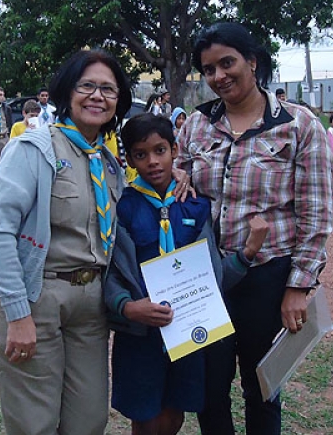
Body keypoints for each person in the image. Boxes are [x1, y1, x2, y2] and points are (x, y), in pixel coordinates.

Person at [177, 22, 332, 435]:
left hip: (267, 275)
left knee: (262, 386)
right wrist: (179, 175)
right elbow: (175, 176)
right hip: (206, 276)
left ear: (253, 61)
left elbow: (316, 213)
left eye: (227, 63)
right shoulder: (195, 125)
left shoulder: (298, 125)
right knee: (210, 389)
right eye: (209, 70)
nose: (219, 77)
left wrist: (298, 286)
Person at [0, 49, 132, 435]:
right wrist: (17, 314)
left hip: (90, 304)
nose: (97, 96)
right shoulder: (33, 149)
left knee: (89, 419)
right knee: (36, 424)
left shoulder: (109, 163)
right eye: (87, 86)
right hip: (36, 297)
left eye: (108, 89)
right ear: (68, 91)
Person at [105, 113, 268, 435]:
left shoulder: (195, 207)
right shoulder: (120, 207)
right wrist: (127, 305)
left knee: (174, 414)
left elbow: (212, 278)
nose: (152, 161)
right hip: (142, 332)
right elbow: (110, 270)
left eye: (160, 150)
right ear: (129, 159)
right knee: (146, 417)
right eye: (141, 154)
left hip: (187, 329)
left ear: (175, 149)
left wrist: (247, 253)